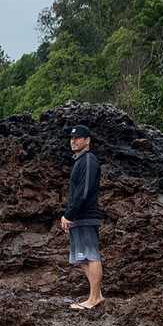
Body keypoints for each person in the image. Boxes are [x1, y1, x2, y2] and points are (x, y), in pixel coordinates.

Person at [60, 124, 105, 309]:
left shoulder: (88, 160)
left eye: (78, 138)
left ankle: (94, 299)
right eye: (72, 138)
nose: (73, 141)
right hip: (79, 216)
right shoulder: (80, 161)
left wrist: (69, 214)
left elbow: (84, 191)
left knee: (91, 256)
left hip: (85, 215)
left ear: (87, 140)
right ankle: (97, 295)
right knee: (82, 258)